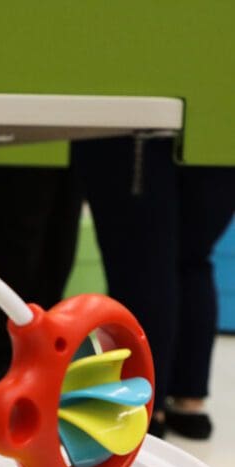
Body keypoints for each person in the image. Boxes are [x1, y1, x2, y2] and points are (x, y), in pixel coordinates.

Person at [73, 136, 235, 439]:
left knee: (142, 264)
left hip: (138, 132)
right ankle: (189, 400)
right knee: (194, 259)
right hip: (220, 123)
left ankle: (143, 405)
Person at [0, 162, 83, 381]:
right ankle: (10, 360)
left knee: (59, 246)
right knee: (18, 251)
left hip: (78, 146)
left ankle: (45, 355)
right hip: (20, 146)